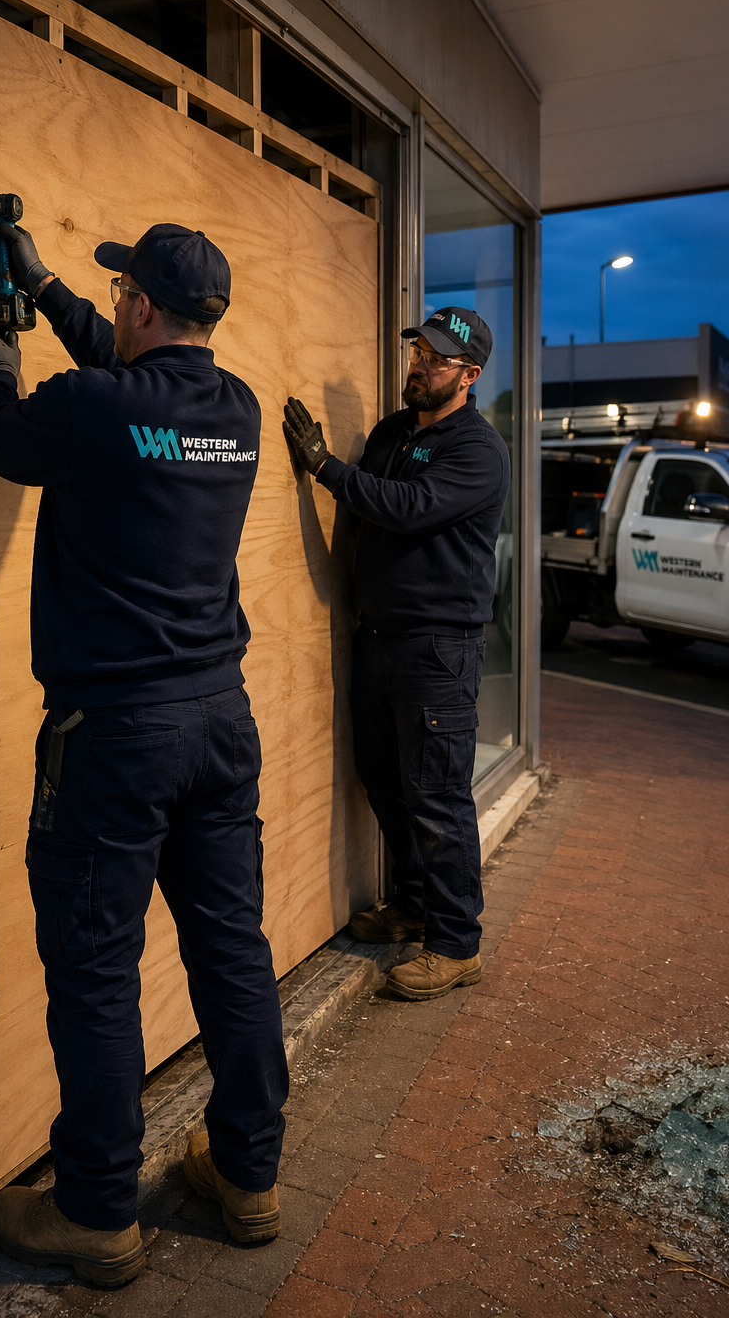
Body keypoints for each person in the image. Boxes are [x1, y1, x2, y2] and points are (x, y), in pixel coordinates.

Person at [0, 219, 287, 1288]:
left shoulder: (95, 411)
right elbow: (124, 388)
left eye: (116, 297)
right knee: (230, 950)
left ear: (142, 306)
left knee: (96, 974)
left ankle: (97, 1210)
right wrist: (50, 289)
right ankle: (247, 1178)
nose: (110, 311)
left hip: (116, 738)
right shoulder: (232, 412)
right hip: (218, 723)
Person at [283, 307, 509, 1001]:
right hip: (378, 638)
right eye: (417, 352)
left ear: (468, 376)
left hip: (437, 650)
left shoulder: (477, 450)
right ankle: (413, 905)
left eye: (437, 360)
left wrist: (323, 466)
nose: (419, 365)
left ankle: (455, 942)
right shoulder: (390, 432)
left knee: (438, 798)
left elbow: (405, 507)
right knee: (386, 783)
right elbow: (369, 506)